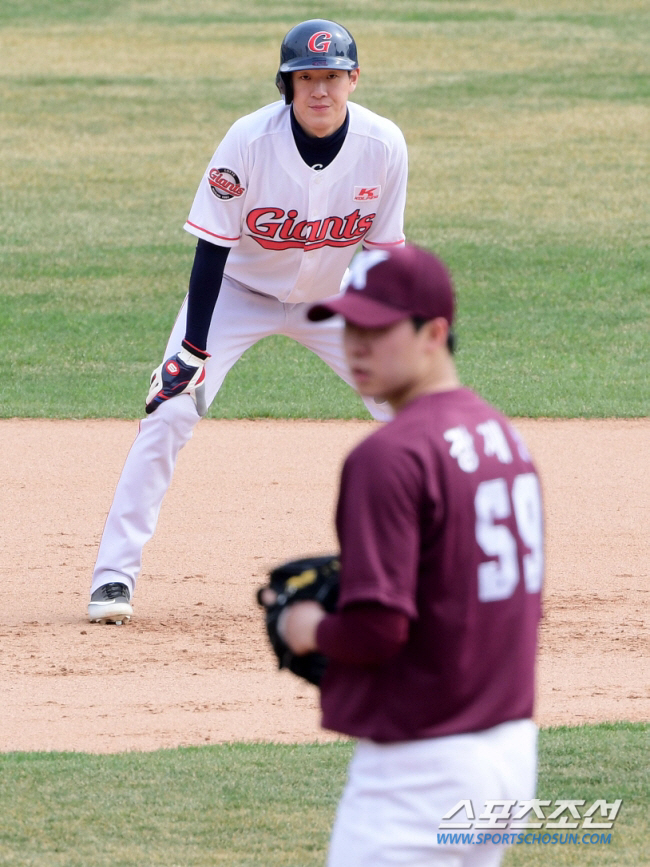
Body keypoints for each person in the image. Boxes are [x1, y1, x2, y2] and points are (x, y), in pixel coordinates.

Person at [88, 19, 408, 624]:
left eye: (332, 77)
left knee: (414, 408)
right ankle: (112, 577)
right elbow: (210, 249)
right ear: (285, 84)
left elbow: (384, 255)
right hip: (235, 293)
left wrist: (394, 338)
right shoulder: (247, 140)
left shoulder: (385, 145)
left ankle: (460, 567)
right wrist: (191, 348)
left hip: (328, 300)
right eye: (305, 78)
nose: (320, 90)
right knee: (170, 410)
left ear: (354, 79)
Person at [280, 243, 544, 867]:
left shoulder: (388, 457)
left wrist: (307, 627)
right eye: (348, 325)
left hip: (418, 774)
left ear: (434, 333)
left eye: (376, 328)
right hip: (509, 757)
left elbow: (377, 631)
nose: (356, 345)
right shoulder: (503, 435)